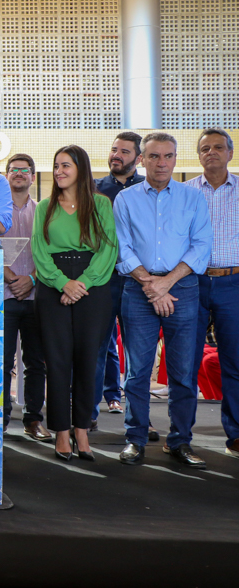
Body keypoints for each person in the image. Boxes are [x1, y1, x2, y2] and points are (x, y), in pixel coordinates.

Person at [114, 132, 212, 468]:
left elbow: (201, 246)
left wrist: (165, 283)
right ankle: (135, 439)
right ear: (141, 159)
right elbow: (121, 248)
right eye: (154, 156)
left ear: (175, 159)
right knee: (138, 372)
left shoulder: (193, 198)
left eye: (168, 156)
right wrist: (149, 283)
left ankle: (180, 442)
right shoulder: (125, 200)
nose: (162, 163)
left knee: (184, 372)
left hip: (182, 288)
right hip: (137, 289)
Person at [32, 146, 118, 461]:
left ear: (81, 168)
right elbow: (39, 253)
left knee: (87, 361)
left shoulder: (100, 204)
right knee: (56, 362)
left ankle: (82, 430)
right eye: (56, 166)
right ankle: (62, 433)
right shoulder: (44, 206)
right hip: (53, 285)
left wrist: (81, 284)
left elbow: (108, 250)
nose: (58, 171)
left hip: (91, 287)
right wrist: (61, 283)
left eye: (65, 165)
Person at [184, 128, 238, 456]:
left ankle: (235, 433)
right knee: (185, 360)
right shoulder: (185, 193)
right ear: (199, 154)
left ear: (230, 153)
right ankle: (180, 434)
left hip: (233, 282)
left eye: (218, 147)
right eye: (205, 148)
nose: (211, 152)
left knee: (233, 360)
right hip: (193, 281)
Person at [92, 132, 144, 424]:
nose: (116, 155)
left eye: (124, 151)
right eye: (114, 150)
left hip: (138, 281)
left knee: (137, 353)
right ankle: (87, 416)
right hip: (103, 281)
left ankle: (139, 420)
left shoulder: (149, 189)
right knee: (97, 349)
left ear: (137, 158)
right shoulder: (95, 190)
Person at [0, 154, 49, 441]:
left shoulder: (43, 211)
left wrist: (30, 279)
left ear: (32, 176)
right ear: (6, 175)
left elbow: (47, 253)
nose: (19, 173)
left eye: (25, 170)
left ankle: (33, 419)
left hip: (35, 297)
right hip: (3, 296)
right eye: (13, 169)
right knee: (2, 363)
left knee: (35, 363)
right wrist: (12, 279)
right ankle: (2, 419)